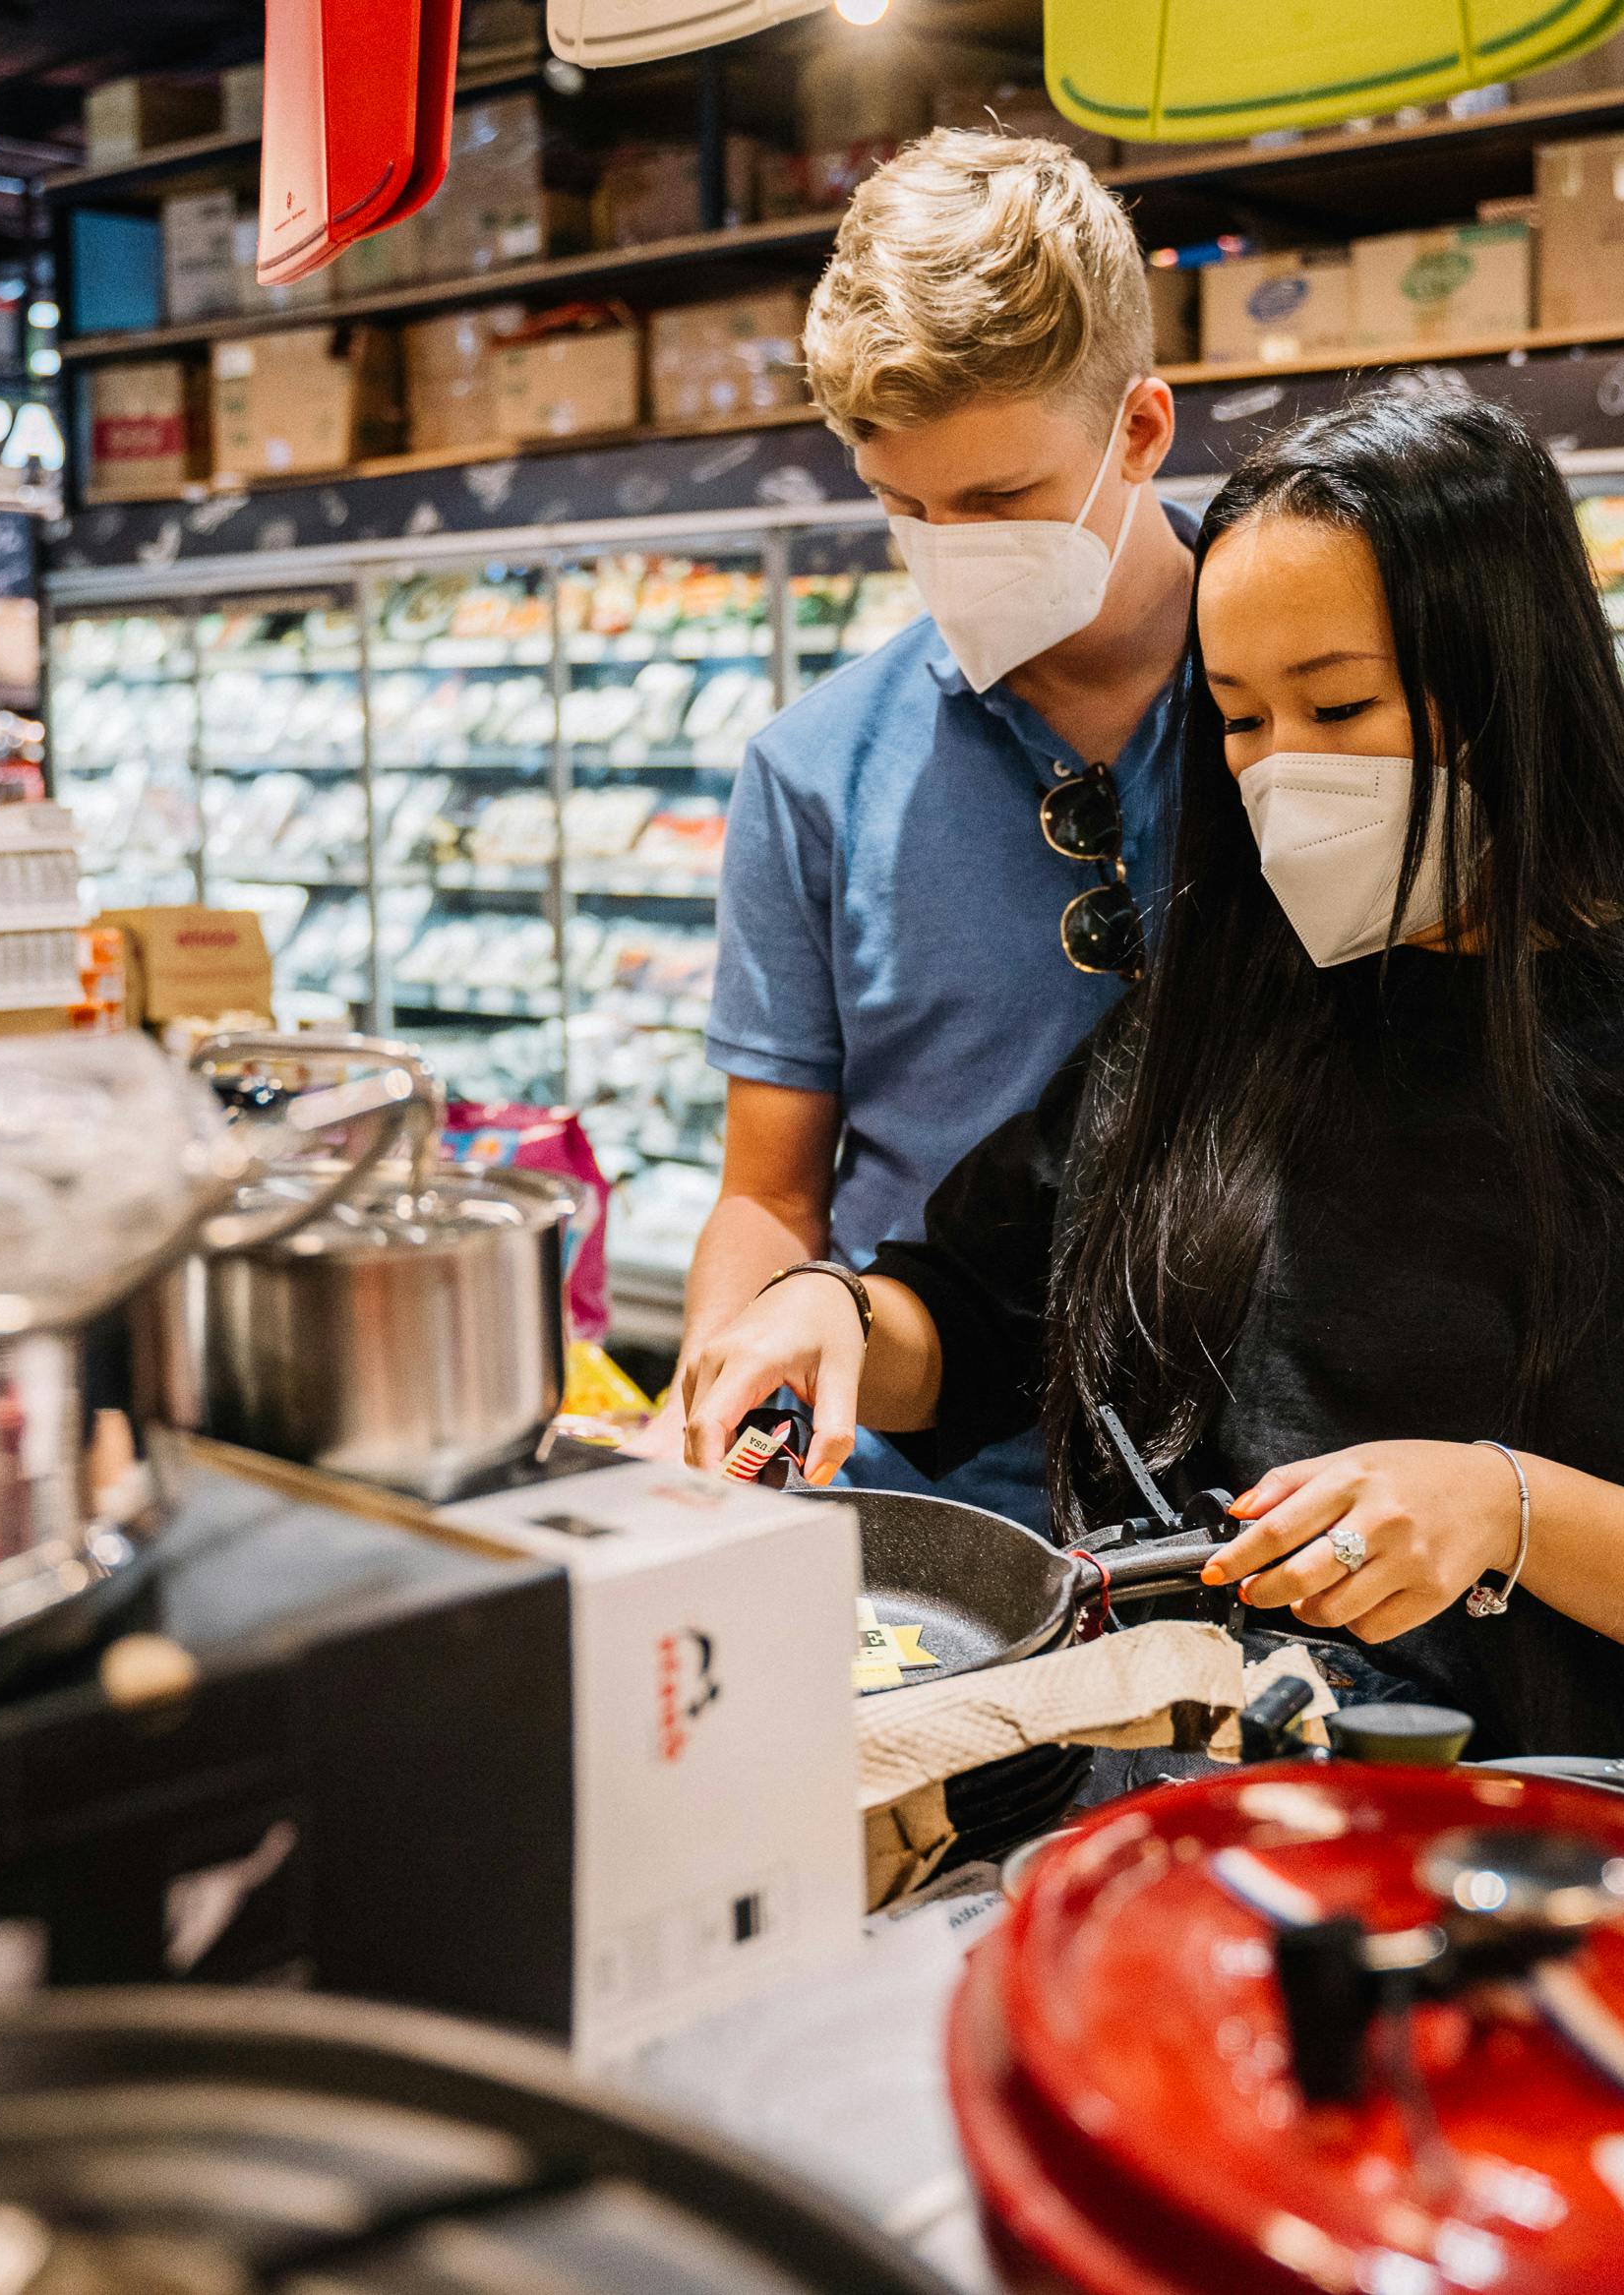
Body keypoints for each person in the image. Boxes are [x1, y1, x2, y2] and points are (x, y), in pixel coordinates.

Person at [681, 385, 1624, 1793]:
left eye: (1340, 702)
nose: (1283, 767)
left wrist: (1510, 1510)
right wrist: (834, 1309)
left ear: (1509, 685)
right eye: (1238, 719)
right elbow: (976, 1311)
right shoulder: (1216, 1022)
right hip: (1184, 1827)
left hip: (1556, 1876)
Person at [677, 130, 1199, 1522]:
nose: (951, 549)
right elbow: (770, 1194)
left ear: (1140, 429)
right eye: (905, 509)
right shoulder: (812, 774)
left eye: (1000, 502)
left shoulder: (1320, 694)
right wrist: (734, 1383)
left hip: (1278, 1506)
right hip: (933, 1512)